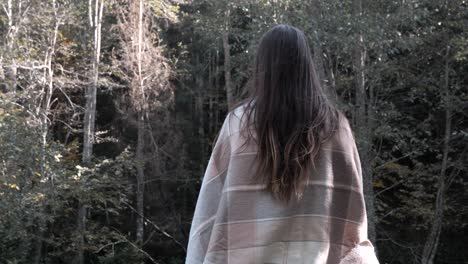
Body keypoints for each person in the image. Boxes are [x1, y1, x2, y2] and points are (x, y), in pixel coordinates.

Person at [185, 24, 380, 264]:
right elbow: (353, 220)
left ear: (262, 67)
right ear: (306, 65)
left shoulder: (237, 125)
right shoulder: (336, 128)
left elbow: (208, 212)